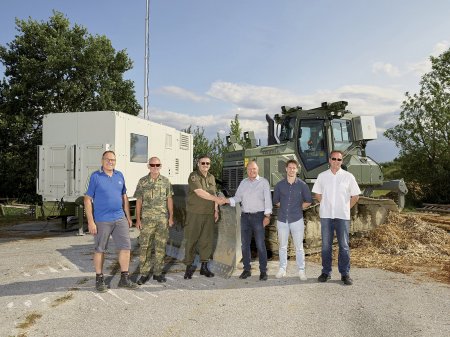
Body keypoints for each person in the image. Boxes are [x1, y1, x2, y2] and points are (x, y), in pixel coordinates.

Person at [84, 150, 137, 292]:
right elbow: (87, 199)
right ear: (102, 161)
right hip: (102, 220)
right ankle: (99, 279)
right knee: (100, 249)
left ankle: (124, 278)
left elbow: (124, 196)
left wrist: (128, 216)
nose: (110, 162)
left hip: (120, 218)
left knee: (126, 248)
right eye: (107, 159)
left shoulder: (119, 175)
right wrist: (91, 221)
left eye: (113, 160)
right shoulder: (95, 177)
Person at [312, 150, 361, 285]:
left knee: (344, 246)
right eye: (334, 159)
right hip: (326, 216)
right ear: (329, 160)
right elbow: (317, 193)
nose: (336, 162)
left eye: (339, 160)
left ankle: (345, 274)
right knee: (326, 246)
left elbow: (356, 196)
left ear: (342, 161)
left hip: (342, 217)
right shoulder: (322, 176)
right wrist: (325, 204)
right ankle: (326, 272)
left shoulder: (348, 177)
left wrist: (346, 208)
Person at [225, 160, 272, 281]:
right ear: (247, 171)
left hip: (259, 217)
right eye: (250, 169)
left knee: (260, 245)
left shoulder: (263, 182)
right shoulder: (243, 183)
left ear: (258, 170)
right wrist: (226, 200)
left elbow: (268, 200)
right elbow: (237, 197)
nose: (252, 171)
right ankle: (247, 270)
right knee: (244, 245)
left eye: (254, 169)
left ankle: (263, 271)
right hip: (245, 217)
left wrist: (267, 216)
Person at [134, 157, 174, 284]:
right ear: (148, 166)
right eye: (152, 165)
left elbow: (169, 200)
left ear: (160, 166)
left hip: (162, 220)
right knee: (145, 247)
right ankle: (144, 274)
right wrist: (138, 219)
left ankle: (158, 273)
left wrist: (171, 217)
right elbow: (139, 201)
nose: (155, 167)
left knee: (161, 247)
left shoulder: (166, 181)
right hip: (147, 220)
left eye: (157, 165)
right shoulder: (143, 182)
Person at [184, 155, 223, 279]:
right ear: (198, 164)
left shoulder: (211, 177)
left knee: (206, 241)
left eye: (207, 163)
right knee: (191, 240)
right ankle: (189, 267)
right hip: (194, 214)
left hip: (209, 214)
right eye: (203, 163)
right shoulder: (193, 176)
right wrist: (216, 199)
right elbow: (199, 192)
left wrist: (216, 209)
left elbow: (214, 192)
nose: (205, 165)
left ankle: (204, 267)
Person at [273, 159, 312, 281]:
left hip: (297, 220)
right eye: (289, 167)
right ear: (286, 169)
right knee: (283, 246)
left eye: (294, 168)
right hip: (282, 220)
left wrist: (297, 208)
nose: (291, 170)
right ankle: (282, 269)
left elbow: (308, 201)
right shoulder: (279, 185)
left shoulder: (302, 185)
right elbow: (276, 202)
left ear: (297, 169)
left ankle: (301, 270)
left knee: (299, 247)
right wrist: (286, 208)